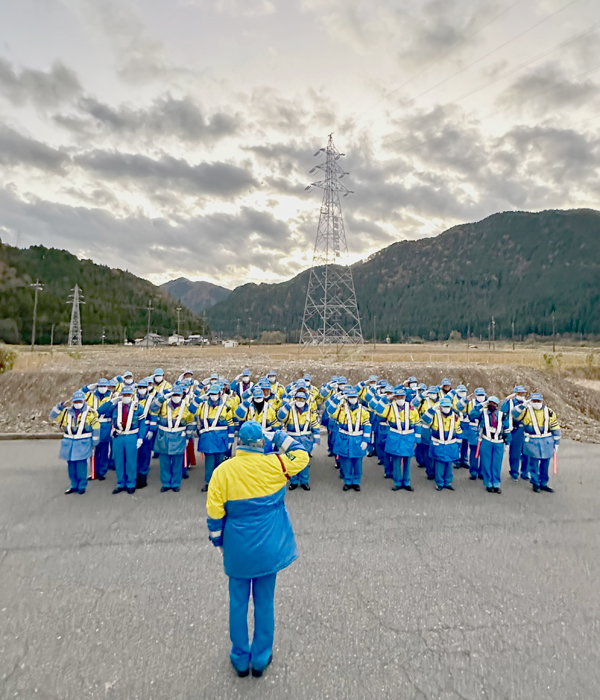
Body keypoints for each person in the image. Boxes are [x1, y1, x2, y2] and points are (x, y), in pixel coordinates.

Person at [206, 422, 310, 678]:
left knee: (238, 603)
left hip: (237, 546)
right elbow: (302, 455)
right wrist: (279, 436)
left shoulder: (223, 471)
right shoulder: (275, 465)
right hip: (269, 546)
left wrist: (219, 542)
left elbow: (214, 511)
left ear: (238, 443)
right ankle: (261, 657)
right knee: (264, 603)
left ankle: (240, 657)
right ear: (261, 443)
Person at [98, 385, 147, 494]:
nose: (126, 397)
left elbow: (142, 423)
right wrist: (112, 401)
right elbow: (100, 411)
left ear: (132, 395)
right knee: (119, 461)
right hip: (118, 436)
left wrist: (140, 438)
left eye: (128, 395)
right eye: (124, 395)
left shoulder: (137, 407)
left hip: (131, 436)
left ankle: (131, 483)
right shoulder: (115, 406)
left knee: (131, 461)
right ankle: (120, 483)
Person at [369, 386, 420, 491]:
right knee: (396, 460)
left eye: (402, 396)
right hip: (394, 436)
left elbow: (417, 424)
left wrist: (417, 440)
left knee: (407, 461)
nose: (400, 398)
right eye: (398, 397)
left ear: (405, 397)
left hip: (408, 437)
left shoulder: (412, 408)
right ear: (395, 397)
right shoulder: (389, 407)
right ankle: (397, 482)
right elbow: (378, 409)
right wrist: (387, 398)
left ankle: (406, 482)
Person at [152, 384, 201, 492]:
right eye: (174, 394)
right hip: (163, 436)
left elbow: (191, 422)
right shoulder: (163, 404)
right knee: (164, 462)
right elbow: (152, 408)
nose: (176, 396)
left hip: (178, 436)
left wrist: (188, 436)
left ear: (182, 394)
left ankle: (175, 483)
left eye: (178, 394)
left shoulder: (186, 406)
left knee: (177, 462)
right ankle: (165, 483)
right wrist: (162, 397)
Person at [49, 390, 100, 494]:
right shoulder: (66, 412)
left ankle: (82, 485)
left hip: (83, 442)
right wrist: (60, 406)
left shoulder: (90, 413)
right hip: (69, 443)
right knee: (71, 465)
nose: (77, 404)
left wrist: (95, 442)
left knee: (81, 465)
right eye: (75, 402)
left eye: (79, 401)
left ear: (84, 401)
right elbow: (52, 416)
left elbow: (96, 427)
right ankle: (73, 485)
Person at [511, 392, 561, 493]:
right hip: (532, 441)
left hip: (546, 441)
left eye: (538, 401)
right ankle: (535, 483)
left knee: (545, 464)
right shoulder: (525, 411)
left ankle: (544, 483)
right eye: (534, 401)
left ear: (542, 401)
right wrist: (523, 405)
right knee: (533, 464)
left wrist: (556, 442)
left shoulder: (549, 412)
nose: (536, 403)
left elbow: (555, 426)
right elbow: (514, 413)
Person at [277, 388, 320, 490]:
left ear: (305, 400)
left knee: (304, 462)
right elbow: (280, 417)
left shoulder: (310, 412)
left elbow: (315, 426)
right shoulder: (289, 410)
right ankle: (294, 481)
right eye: (298, 399)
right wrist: (287, 406)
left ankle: (304, 481)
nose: (300, 401)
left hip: (305, 440)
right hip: (292, 439)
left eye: (302, 399)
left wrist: (316, 440)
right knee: (292, 461)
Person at [331, 388, 371, 491]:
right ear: (347, 398)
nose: (353, 399)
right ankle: (347, 481)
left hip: (358, 438)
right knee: (346, 462)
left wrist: (366, 440)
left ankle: (356, 481)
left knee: (358, 463)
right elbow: (330, 410)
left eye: (354, 397)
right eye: (350, 397)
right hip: (344, 438)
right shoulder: (341, 409)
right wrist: (337, 399)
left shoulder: (364, 410)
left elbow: (367, 425)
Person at [197, 384, 235, 491]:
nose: (213, 396)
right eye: (211, 394)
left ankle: (220, 484)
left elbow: (230, 424)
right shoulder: (202, 406)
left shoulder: (226, 408)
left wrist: (231, 439)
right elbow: (191, 410)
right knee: (209, 463)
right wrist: (199, 398)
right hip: (208, 439)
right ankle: (209, 483)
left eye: (215, 394)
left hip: (221, 439)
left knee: (220, 464)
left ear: (220, 394)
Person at [469, 395, 511, 494]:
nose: (492, 405)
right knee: (486, 463)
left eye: (494, 404)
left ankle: (496, 484)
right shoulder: (482, 413)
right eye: (490, 403)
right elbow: (472, 414)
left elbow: (507, 429)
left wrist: (507, 442)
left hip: (499, 442)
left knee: (497, 464)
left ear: (497, 405)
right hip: (486, 440)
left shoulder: (502, 415)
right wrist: (481, 405)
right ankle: (488, 483)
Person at [421, 396, 462, 491]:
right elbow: (424, 419)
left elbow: (458, 429)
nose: (447, 408)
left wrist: (458, 443)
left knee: (449, 465)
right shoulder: (435, 415)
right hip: (438, 443)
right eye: (445, 406)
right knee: (439, 464)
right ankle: (439, 483)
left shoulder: (455, 416)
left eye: (448, 406)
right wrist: (433, 409)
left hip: (451, 444)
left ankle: (447, 482)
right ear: (440, 406)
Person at [82, 377, 112, 480]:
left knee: (103, 450)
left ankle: (101, 472)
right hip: (93, 425)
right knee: (94, 450)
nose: (102, 388)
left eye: (104, 386)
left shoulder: (111, 396)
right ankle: (93, 472)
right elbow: (79, 396)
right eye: (100, 386)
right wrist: (87, 388)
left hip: (106, 425)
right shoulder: (91, 395)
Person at [501, 386, 530, 481]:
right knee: (515, 453)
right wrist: (507, 399)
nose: (521, 395)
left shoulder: (528, 403)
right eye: (519, 393)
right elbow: (503, 410)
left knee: (526, 453)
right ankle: (514, 472)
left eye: (523, 393)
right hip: (514, 429)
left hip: (525, 430)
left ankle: (525, 472)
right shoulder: (510, 403)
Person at [135, 378, 156, 489]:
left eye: (144, 387)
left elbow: (154, 414)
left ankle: (143, 475)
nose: (142, 389)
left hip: (147, 427)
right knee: (135, 453)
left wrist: (152, 429)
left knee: (145, 453)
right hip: (134, 428)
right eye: (140, 387)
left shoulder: (152, 399)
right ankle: (135, 474)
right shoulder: (133, 398)